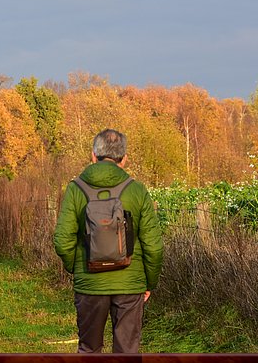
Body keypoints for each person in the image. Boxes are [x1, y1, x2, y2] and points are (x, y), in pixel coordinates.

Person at [53, 128, 164, 354]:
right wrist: (149, 283)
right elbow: (154, 246)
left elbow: (63, 241)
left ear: (93, 156)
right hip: (130, 284)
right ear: (124, 159)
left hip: (90, 284)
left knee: (89, 350)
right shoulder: (137, 190)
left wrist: (77, 268)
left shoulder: (75, 189)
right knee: (127, 352)